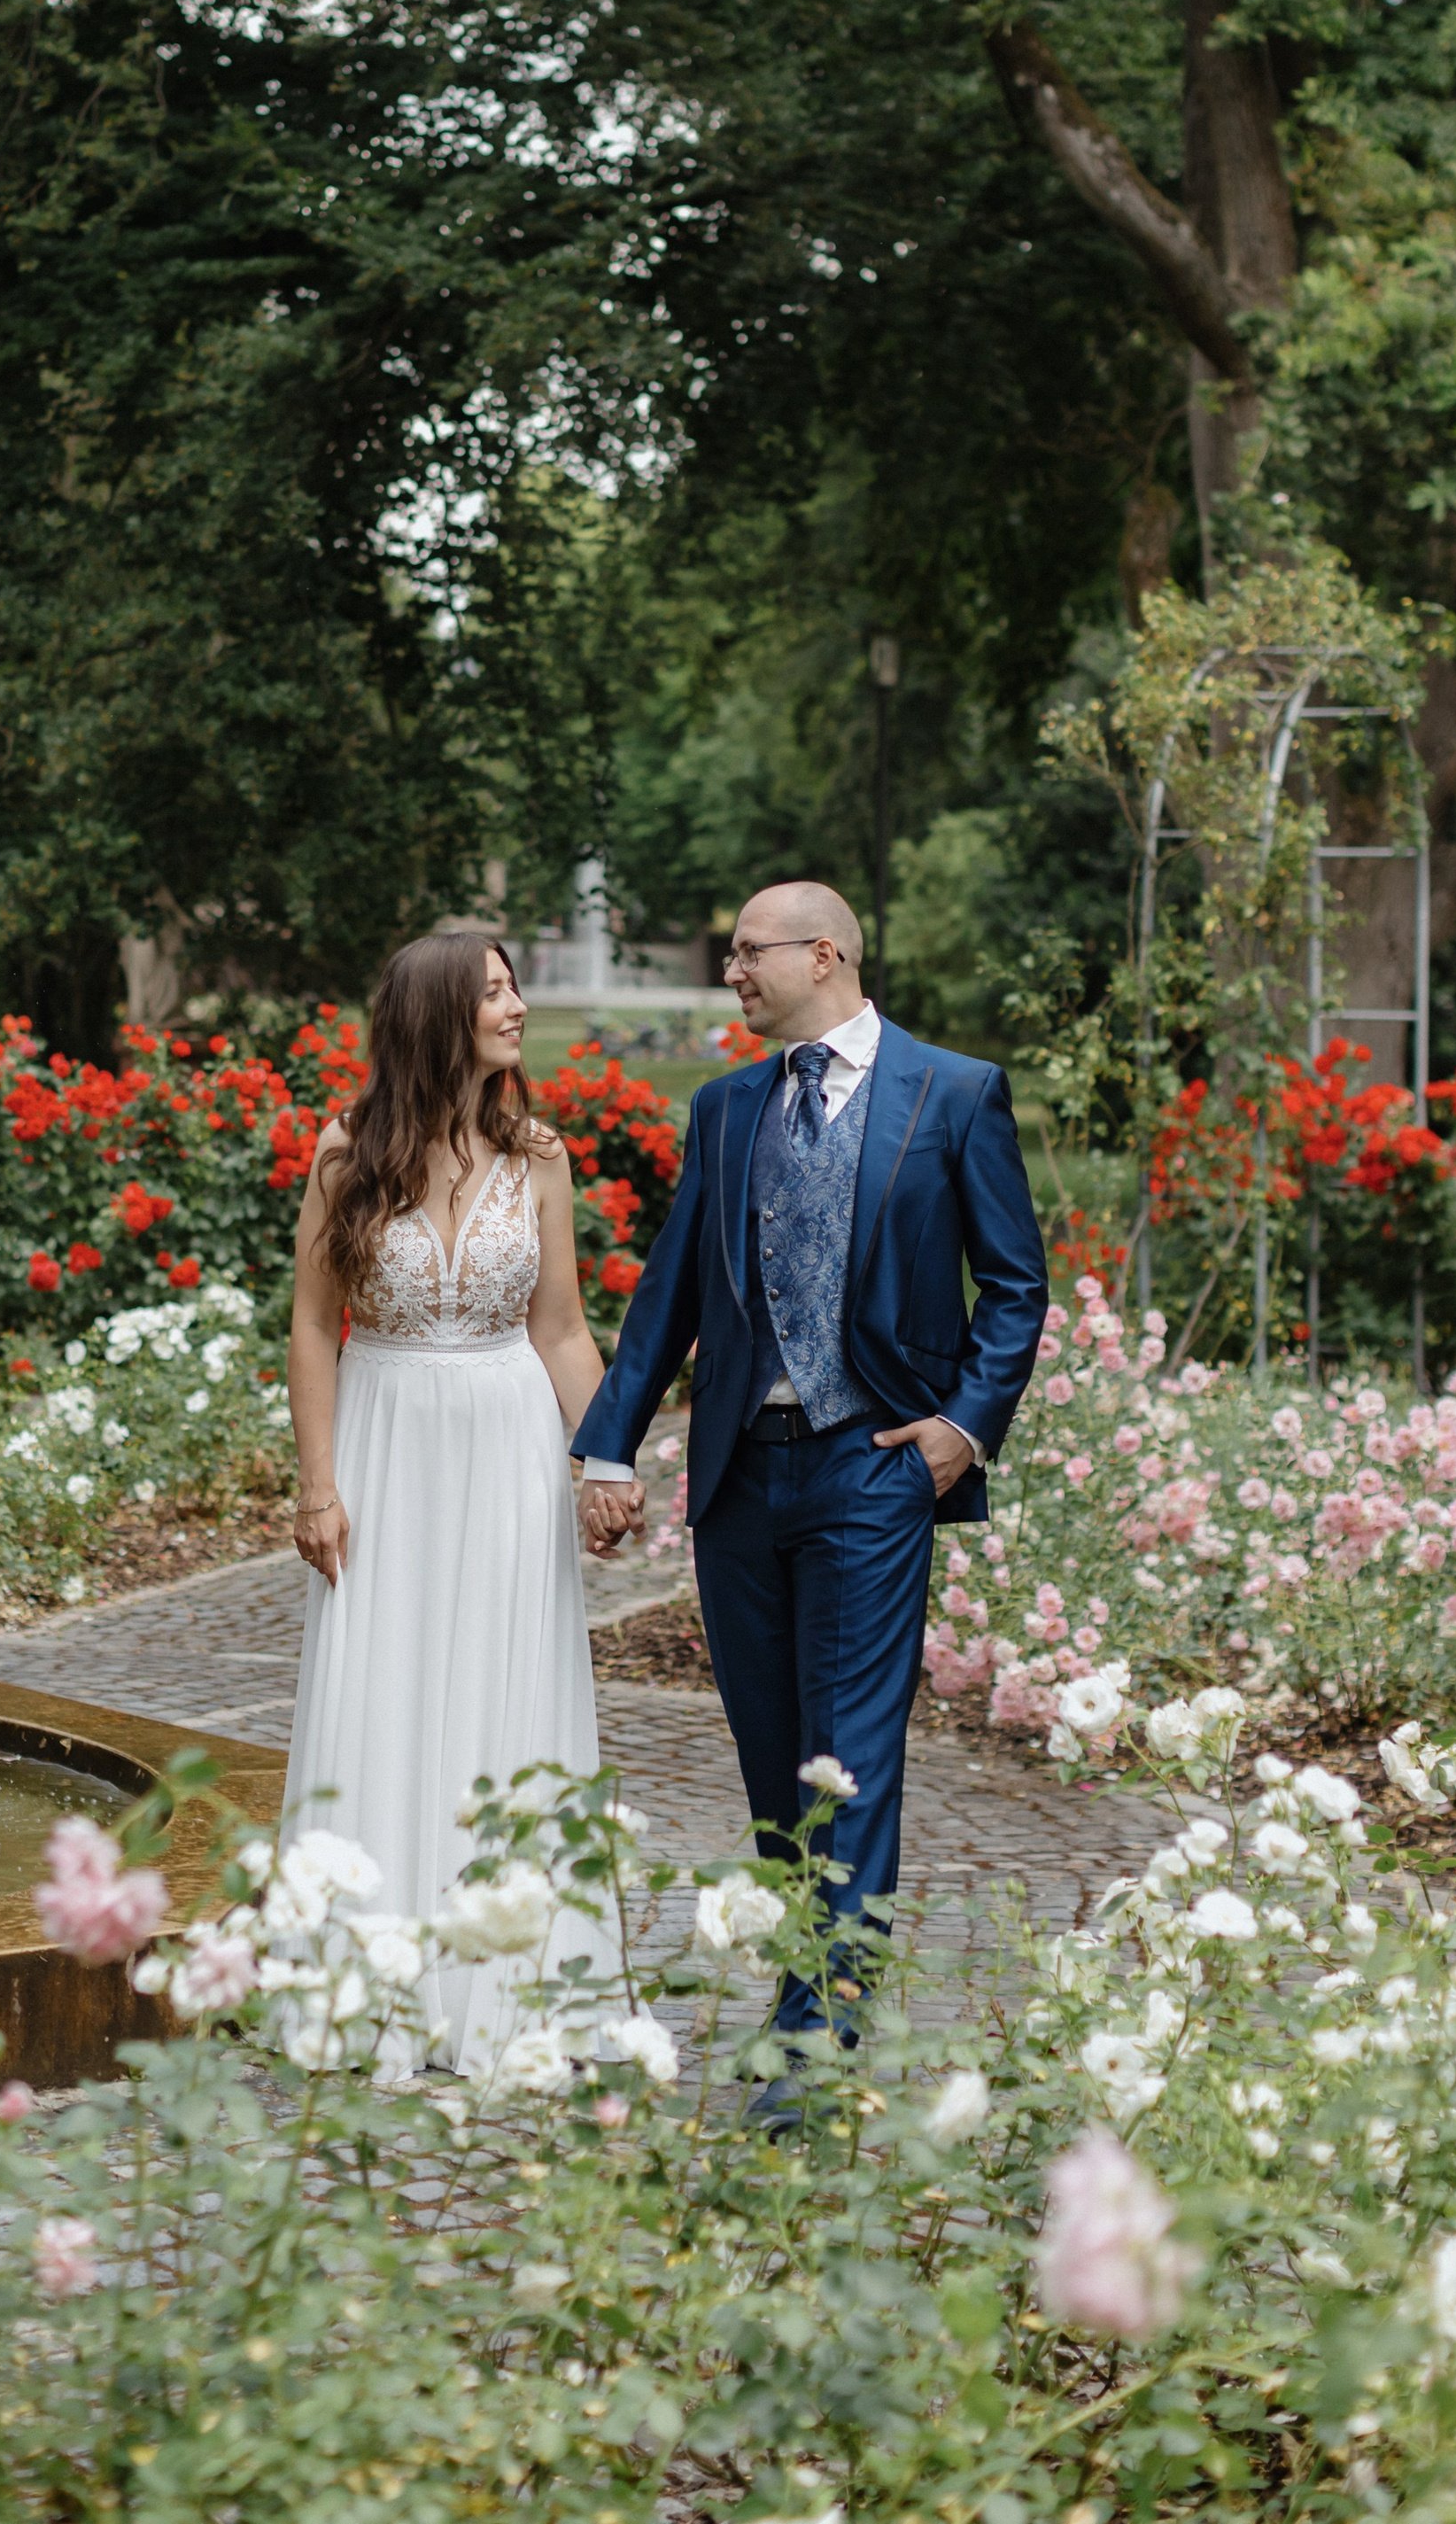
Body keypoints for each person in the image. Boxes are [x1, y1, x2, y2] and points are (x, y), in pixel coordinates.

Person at [570, 880, 1047, 2038]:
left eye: (748, 951)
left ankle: (820, 2033)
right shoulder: (727, 1107)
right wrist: (609, 1446)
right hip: (740, 1475)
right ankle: (805, 1981)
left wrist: (961, 1426)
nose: (731, 971)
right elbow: (673, 1290)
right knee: (773, 1755)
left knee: (850, 1756)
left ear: (822, 953)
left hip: (872, 1466)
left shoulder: (955, 1092)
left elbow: (1015, 1285)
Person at [283, 930, 610, 2067]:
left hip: (508, 1439)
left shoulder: (540, 1156)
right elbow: (314, 1326)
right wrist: (318, 1485)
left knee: (503, 1678)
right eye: (494, 992)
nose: (518, 1007)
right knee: (383, 1681)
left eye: (515, 988)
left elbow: (560, 1329)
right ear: (436, 1016)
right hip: (385, 1438)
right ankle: (374, 1980)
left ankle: (505, 1984)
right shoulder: (346, 1152)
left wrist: (605, 1461)